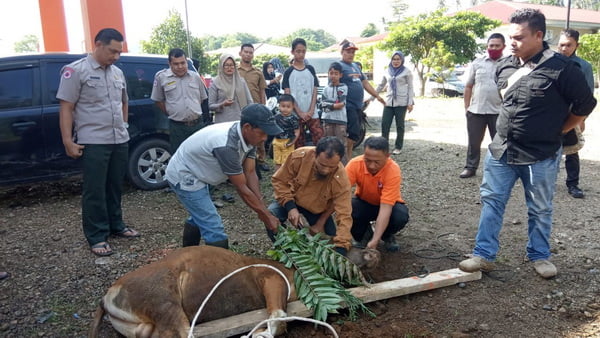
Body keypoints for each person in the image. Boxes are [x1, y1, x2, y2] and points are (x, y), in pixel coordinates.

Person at [458, 9, 596, 279]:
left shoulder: (563, 68)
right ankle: (483, 254)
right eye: (511, 37)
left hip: (541, 153)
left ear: (539, 35)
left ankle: (539, 255)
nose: (513, 43)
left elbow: (585, 104)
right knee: (492, 201)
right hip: (502, 150)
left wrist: (561, 129)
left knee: (540, 207)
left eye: (519, 38)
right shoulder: (506, 65)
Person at [57, 28, 140, 257]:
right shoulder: (75, 70)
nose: (116, 56)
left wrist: (123, 126)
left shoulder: (116, 73)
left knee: (115, 186)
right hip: (94, 141)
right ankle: (96, 235)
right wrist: (67, 141)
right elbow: (67, 107)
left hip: (118, 139)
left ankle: (116, 225)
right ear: (98, 45)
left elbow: (124, 102)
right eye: (113, 51)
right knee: (95, 190)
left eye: (119, 52)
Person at [166, 104, 283, 249]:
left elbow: (250, 172)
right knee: (213, 227)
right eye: (262, 133)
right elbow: (241, 187)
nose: (265, 138)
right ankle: (220, 269)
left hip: (202, 170)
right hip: (186, 174)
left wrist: (261, 206)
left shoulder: (249, 137)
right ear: (247, 127)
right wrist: (266, 216)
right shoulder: (226, 146)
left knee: (200, 215)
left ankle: (188, 253)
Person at [269, 136, 352, 255]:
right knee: (272, 215)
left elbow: (344, 214)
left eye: (331, 167)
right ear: (315, 154)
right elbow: (279, 181)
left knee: (330, 242)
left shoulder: (341, 180)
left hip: (317, 209)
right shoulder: (299, 156)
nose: (325, 170)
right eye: (322, 165)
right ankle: (287, 252)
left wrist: (341, 247)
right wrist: (290, 207)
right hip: (293, 199)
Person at [346, 136, 409, 252]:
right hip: (364, 202)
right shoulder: (354, 164)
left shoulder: (393, 170)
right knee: (348, 207)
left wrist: (376, 240)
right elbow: (340, 194)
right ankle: (364, 234)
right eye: (368, 160)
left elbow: (386, 207)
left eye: (377, 162)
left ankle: (386, 234)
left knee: (400, 216)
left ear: (387, 156)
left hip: (388, 205)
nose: (371, 166)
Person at [460, 33, 506, 179]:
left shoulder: (509, 64)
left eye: (497, 45)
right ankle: (470, 167)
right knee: (474, 142)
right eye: (491, 45)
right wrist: (467, 108)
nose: (493, 48)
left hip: (498, 111)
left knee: (499, 142)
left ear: (503, 47)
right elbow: (468, 86)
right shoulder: (477, 63)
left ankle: (500, 170)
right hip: (476, 110)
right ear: (487, 46)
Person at [557, 29, 595, 199]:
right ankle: (545, 182)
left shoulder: (583, 66)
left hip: (572, 115)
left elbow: (587, 96)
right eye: (561, 45)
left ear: (576, 45)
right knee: (548, 149)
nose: (564, 48)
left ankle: (573, 184)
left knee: (572, 150)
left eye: (568, 45)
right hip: (552, 114)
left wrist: (582, 119)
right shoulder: (551, 62)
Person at [151, 48, 209, 153]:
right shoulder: (162, 77)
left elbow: (201, 99)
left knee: (200, 155)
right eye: (176, 64)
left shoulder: (195, 77)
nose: (180, 67)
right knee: (180, 157)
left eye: (183, 63)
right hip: (178, 127)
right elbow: (158, 100)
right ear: (170, 64)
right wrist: (172, 111)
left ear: (186, 62)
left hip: (197, 125)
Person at [339, 41, 385, 159]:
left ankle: (347, 160)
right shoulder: (338, 66)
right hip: (347, 106)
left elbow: (365, 83)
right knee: (349, 134)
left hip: (357, 106)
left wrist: (377, 96)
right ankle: (346, 161)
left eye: (353, 52)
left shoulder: (355, 66)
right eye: (348, 52)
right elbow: (333, 84)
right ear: (342, 52)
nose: (351, 54)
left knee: (354, 134)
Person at [370, 51, 414, 155]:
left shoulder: (406, 72)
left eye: (398, 59)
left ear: (402, 60)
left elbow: (411, 88)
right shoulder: (387, 71)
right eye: (394, 59)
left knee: (400, 125)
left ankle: (398, 147)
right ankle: (384, 147)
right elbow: (381, 85)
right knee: (385, 124)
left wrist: (410, 102)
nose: (396, 61)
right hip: (389, 102)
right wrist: (372, 97)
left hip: (401, 102)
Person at [282, 38, 323, 148]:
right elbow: (288, 94)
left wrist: (311, 110)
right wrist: (299, 112)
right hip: (295, 114)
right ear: (292, 52)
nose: (301, 54)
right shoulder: (288, 72)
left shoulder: (310, 69)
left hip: (312, 113)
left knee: (319, 138)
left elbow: (315, 90)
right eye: (298, 51)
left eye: (303, 51)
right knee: (298, 143)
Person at [238, 44, 269, 171]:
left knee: (259, 135)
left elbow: (262, 91)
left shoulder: (258, 72)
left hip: (255, 107)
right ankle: (241, 162)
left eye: (251, 52)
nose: (248, 54)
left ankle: (260, 160)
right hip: (240, 108)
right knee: (241, 136)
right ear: (240, 53)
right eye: (246, 52)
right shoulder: (234, 70)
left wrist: (263, 107)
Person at [209, 54, 252, 123]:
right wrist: (222, 104)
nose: (229, 68)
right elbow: (211, 105)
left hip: (240, 120)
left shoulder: (241, 81)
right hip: (222, 122)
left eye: (232, 65)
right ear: (221, 66)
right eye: (226, 65)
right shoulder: (215, 82)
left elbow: (249, 101)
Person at [320, 62, 349, 164]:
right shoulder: (325, 89)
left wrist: (329, 105)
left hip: (340, 120)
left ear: (340, 75)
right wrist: (333, 104)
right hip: (327, 120)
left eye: (336, 73)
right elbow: (322, 105)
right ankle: (330, 165)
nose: (333, 76)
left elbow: (340, 104)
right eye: (331, 73)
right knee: (328, 144)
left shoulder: (343, 87)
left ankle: (344, 168)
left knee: (341, 145)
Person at [272, 94, 300, 171]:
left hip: (288, 142)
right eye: (283, 106)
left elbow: (297, 132)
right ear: (279, 106)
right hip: (277, 142)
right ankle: (277, 178)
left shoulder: (294, 119)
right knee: (277, 161)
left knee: (287, 162)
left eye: (288, 107)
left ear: (293, 106)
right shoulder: (276, 117)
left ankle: (285, 178)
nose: (285, 109)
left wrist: (292, 142)